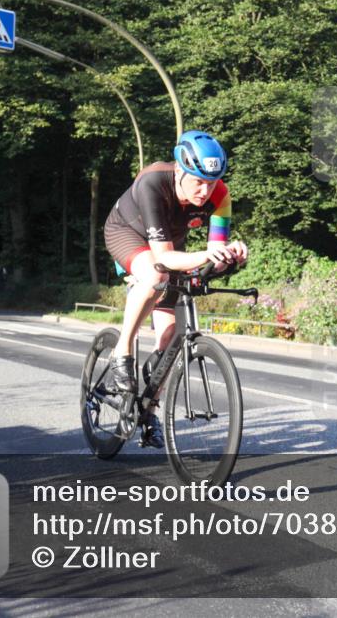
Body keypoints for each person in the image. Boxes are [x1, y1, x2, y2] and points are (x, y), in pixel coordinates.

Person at [102, 130, 248, 447]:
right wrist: (207, 255)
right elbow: (163, 259)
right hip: (127, 233)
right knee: (156, 277)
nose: (205, 190)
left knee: (171, 339)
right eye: (197, 181)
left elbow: (213, 256)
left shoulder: (221, 196)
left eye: (211, 182)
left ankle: (149, 409)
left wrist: (229, 257)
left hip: (169, 243)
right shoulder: (154, 181)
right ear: (180, 170)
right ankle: (121, 349)